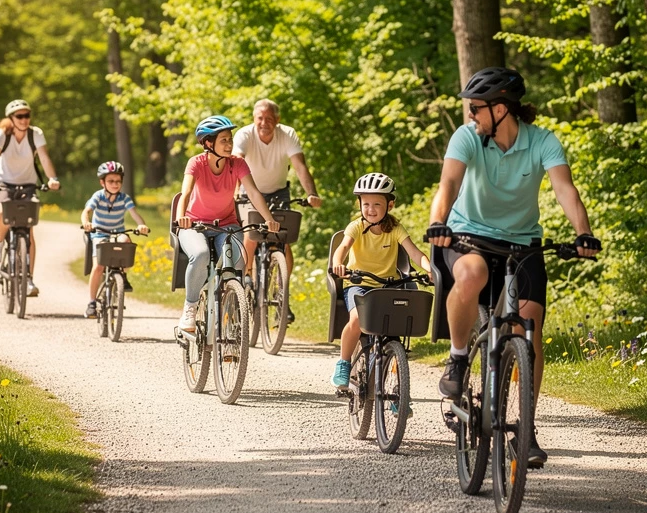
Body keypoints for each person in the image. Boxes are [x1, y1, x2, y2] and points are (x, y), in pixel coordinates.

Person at [426, 67, 601, 467]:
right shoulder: (467, 137)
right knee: (471, 275)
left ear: (501, 109)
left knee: (530, 327)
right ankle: (456, 358)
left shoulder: (543, 142)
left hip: (521, 243)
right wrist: (439, 222)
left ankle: (526, 427)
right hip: (468, 235)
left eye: (476, 108)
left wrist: (583, 231)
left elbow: (564, 188)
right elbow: (448, 185)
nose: (470, 115)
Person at [175, 115, 280, 333]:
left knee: (236, 261)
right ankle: (190, 306)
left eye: (230, 139)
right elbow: (185, 193)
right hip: (195, 225)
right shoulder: (196, 163)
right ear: (208, 143)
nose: (229, 144)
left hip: (227, 224)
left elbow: (252, 192)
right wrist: (181, 216)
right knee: (201, 254)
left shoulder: (237, 164)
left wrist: (268, 218)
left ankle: (230, 313)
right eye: (223, 140)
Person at [330, 173, 431, 390]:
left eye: (377, 204)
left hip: (388, 286)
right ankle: (344, 362)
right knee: (356, 319)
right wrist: (338, 263)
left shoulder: (395, 229)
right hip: (359, 283)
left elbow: (414, 253)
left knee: (394, 335)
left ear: (390, 204)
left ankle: (397, 390)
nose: (371, 209)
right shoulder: (356, 227)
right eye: (366, 204)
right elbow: (343, 247)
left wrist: (431, 269)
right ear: (360, 204)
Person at [232, 99, 321, 290]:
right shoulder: (244, 135)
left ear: (277, 119)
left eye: (269, 119)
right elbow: (236, 163)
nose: (264, 123)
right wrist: (234, 191)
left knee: (284, 240)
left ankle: (283, 292)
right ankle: (246, 275)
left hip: (278, 193)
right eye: (260, 118)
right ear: (254, 118)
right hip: (249, 193)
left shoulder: (287, 134)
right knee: (251, 233)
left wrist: (311, 193)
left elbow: (300, 166)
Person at [0, 99, 60, 297]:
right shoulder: (1, 134)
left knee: (29, 232)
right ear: (11, 118)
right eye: (19, 116)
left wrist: (52, 179)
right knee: (2, 212)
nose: (24, 119)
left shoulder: (36, 134)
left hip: (28, 184)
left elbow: (44, 158)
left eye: (27, 115)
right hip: (2, 183)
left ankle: (29, 279)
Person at [81, 161, 150, 317]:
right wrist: (86, 222)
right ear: (102, 182)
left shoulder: (124, 198)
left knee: (126, 241)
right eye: (111, 181)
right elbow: (86, 211)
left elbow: (135, 215)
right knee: (98, 266)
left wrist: (141, 226)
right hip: (99, 233)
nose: (115, 184)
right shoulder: (98, 196)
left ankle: (123, 276)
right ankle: (91, 302)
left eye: (118, 181)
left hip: (118, 232)